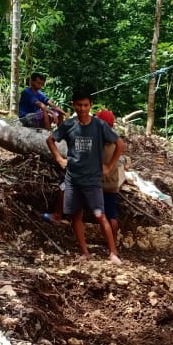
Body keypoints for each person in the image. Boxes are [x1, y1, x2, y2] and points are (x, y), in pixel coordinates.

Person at [46, 90, 124, 264]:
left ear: (90, 106)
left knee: (100, 215)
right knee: (76, 216)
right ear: (73, 105)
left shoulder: (99, 125)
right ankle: (84, 252)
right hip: (73, 180)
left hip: (92, 181)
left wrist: (109, 166)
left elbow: (120, 144)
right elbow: (50, 140)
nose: (82, 109)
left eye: (86, 105)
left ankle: (113, 253)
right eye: (79, 105)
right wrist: (59, 158)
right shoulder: (69, 124)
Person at [96, 109, 126, 243]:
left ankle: (109, 240)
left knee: (102, 214)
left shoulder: (99, 141)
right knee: (111, 214)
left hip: (100, 184)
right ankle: (113, 240)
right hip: (113, 183)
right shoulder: (115, 141)